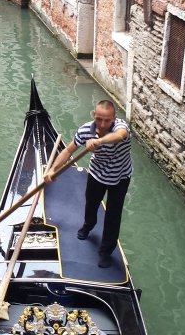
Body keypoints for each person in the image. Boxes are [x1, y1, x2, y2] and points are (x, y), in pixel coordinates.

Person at [44, 100, 132, 269]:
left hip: (120, 176)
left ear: (114, 117)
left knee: (113, 215)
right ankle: (88, 226)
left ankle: (105, 252)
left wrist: (99, 141)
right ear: (94, 115)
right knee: (91, 203)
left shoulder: (121, 127)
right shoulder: (85, 130)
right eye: (99, 119)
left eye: (107, 120)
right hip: (97, 174)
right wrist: (53, 170)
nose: (103, 124)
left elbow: (119, 136)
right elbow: (68, 151)